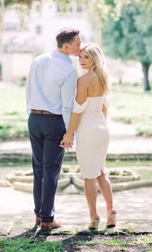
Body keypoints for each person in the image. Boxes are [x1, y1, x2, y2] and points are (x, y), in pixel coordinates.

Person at [26, 28, 81, 231]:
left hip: (34, 118)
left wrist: (31, 115)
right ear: (66, 45)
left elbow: (28, 90)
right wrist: (69, 133)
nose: (80, 46)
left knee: (38, 169)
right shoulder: (68, 70)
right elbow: (67, 105)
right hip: (55, 121)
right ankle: (48, 219)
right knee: (50, 171)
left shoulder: (38, 60)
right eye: (78, 43)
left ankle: (39, 216)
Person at [60, 43, 117, 230]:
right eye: (81, 57)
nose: (82, 61)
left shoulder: (83, 81)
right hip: (102, 128)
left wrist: (69, 134)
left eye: (86, 57)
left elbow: (77, 111)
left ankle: (94, 217)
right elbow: (104, 107)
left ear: (95, 59)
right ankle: (112, 212)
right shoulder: (104, 78)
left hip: (88, 130)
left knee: (88, 177)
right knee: (101, 172)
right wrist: (101, 126)